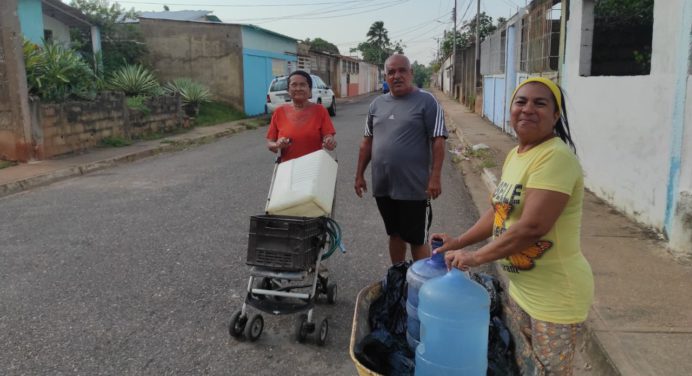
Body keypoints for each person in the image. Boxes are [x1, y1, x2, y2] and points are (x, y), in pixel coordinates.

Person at [432, 77, 594, 375]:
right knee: (522, 367)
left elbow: (533, 227)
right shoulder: (517, 155)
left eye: (540, 103)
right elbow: (499, 212)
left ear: (556, 115)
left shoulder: (555, 157)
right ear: (511, 109)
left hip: (555, 297)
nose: (528, 109)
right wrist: (459, 242)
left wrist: (475, 257)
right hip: (521, 290)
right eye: (521, 102)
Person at [354, 54, 448, 264]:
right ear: (385, 76)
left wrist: (435, 177)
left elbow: (438, 141)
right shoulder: (376, 104)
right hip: (384, 186)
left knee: (417, 239)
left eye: (402, 71)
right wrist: (359, 175)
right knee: (394, 234)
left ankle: (418, 284)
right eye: (391, 72)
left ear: (411, 73)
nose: (397, 76)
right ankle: (398, 277)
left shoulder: (427, 101)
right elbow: (367, 142)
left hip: (414, 187)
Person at [266, 70, 336, 162]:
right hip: (288, 168)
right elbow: (270, 144)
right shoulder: (279, 112)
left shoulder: (320, 110)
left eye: (303, 85)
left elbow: (329, 138)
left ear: (310, 90)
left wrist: (329, 141)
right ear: (288, 90)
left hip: (315, 168)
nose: (298, 88)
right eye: (294, 85)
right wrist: (277, 145)